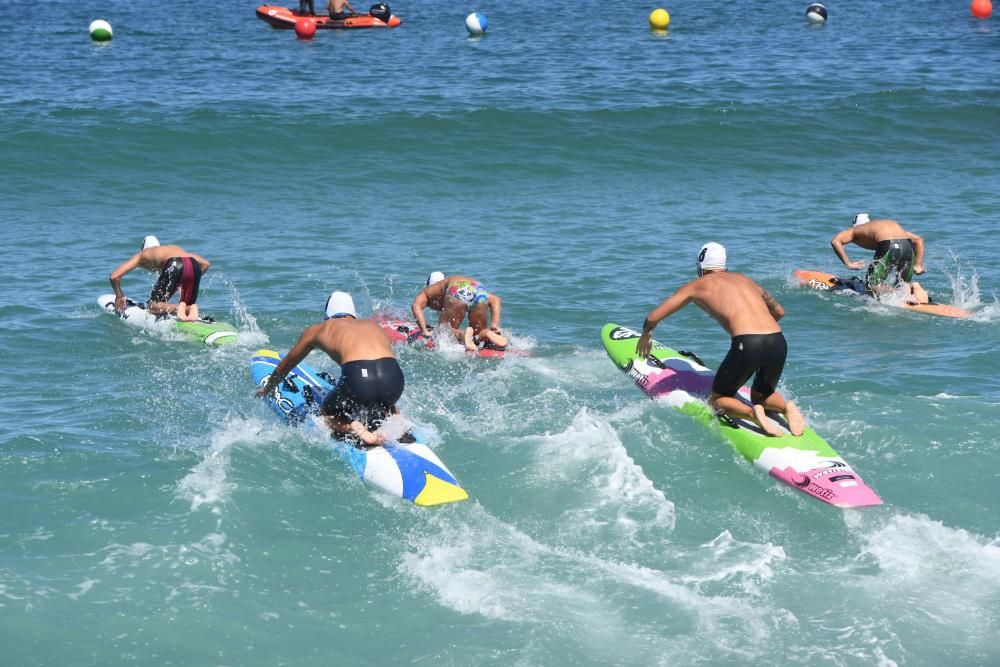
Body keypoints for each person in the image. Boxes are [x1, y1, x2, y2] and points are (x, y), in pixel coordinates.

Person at [635, 243, 806, 437]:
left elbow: (652, 317)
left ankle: (752, 413)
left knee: (716, 400)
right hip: (778, 340)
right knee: (761, 395)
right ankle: (786, 408)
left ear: (701, 266)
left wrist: (646, 334)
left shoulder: (695, 286)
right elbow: (779, 312)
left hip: (749, 343)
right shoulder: (745, 279)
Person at [255, 292, 405, 446]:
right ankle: (398, 418)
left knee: (326, 415)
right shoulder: (373, 325)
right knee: (383, 399)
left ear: (327, 314)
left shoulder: (319, 329)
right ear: (353, 314)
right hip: (393, 377)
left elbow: (286, 365)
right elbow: (378, 366)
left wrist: (267, 389)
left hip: (359, 378)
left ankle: (356, 429)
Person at [830, 213, 929, 303]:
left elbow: (835, 241)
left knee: (872, 285)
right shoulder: (881, 226)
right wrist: (918, 265)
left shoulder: (855, 230)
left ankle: (908, 290)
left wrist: (848, 263)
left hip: (888, 245)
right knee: (902, 285)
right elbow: (918, 240)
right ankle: (911, 290)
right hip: (907, 247)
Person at [109, 236, 211, 322]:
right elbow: (205, 264)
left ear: (144, 248)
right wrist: (184, 281)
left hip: (175, 264)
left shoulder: (142, 255)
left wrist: (119, 295)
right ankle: (191, 311)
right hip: (193, 265)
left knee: (152, 306)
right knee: (185, 304)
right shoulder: (170, 249)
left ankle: (183, 308)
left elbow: (114, 276)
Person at [411, 272, 504, 351]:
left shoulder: (426, 291)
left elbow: (416, 305)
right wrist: (494, 326)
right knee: (478, 336)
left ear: (428, 284)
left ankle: (463, 334)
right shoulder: (450, 281)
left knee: (442, 330)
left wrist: (424, 331)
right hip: (478, 288)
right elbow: (496, 299)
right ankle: (487, 334)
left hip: (457, 289)